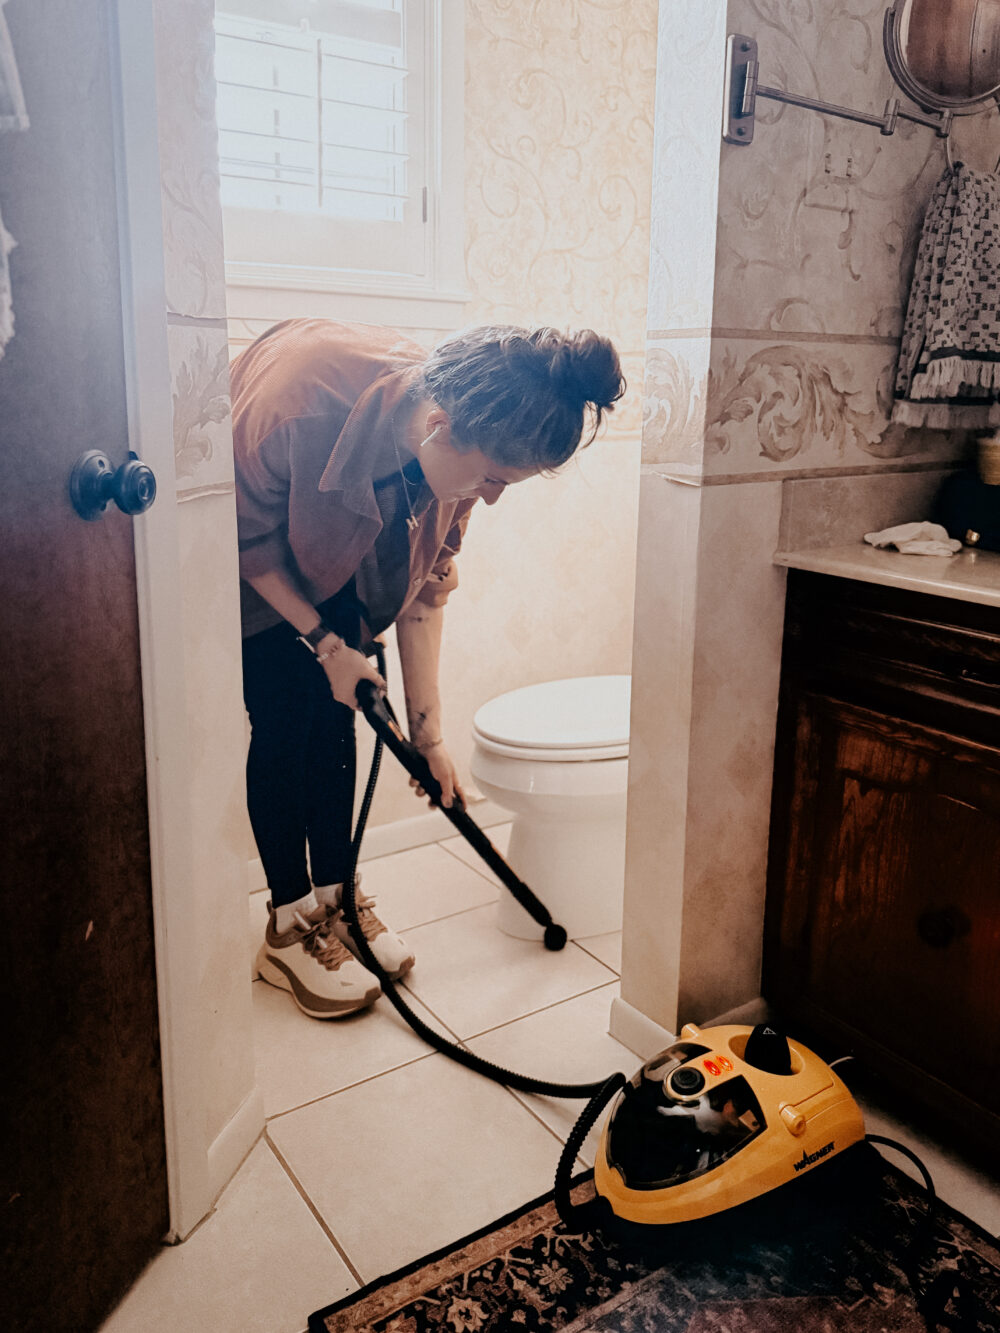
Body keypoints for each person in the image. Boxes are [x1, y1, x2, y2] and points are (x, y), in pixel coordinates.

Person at [233, 318, 624, 1020]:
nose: (494, 496)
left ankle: (339, 900)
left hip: (342, 544)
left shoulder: (455, 456)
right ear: (440, 426)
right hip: (257, 559)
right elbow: (248, 541)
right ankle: (288, 924)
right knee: (288, 712)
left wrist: (428, 734)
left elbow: (425, 589)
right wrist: (324, 643)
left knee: (339, 720)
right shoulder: (295, 407)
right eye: (493, 478)